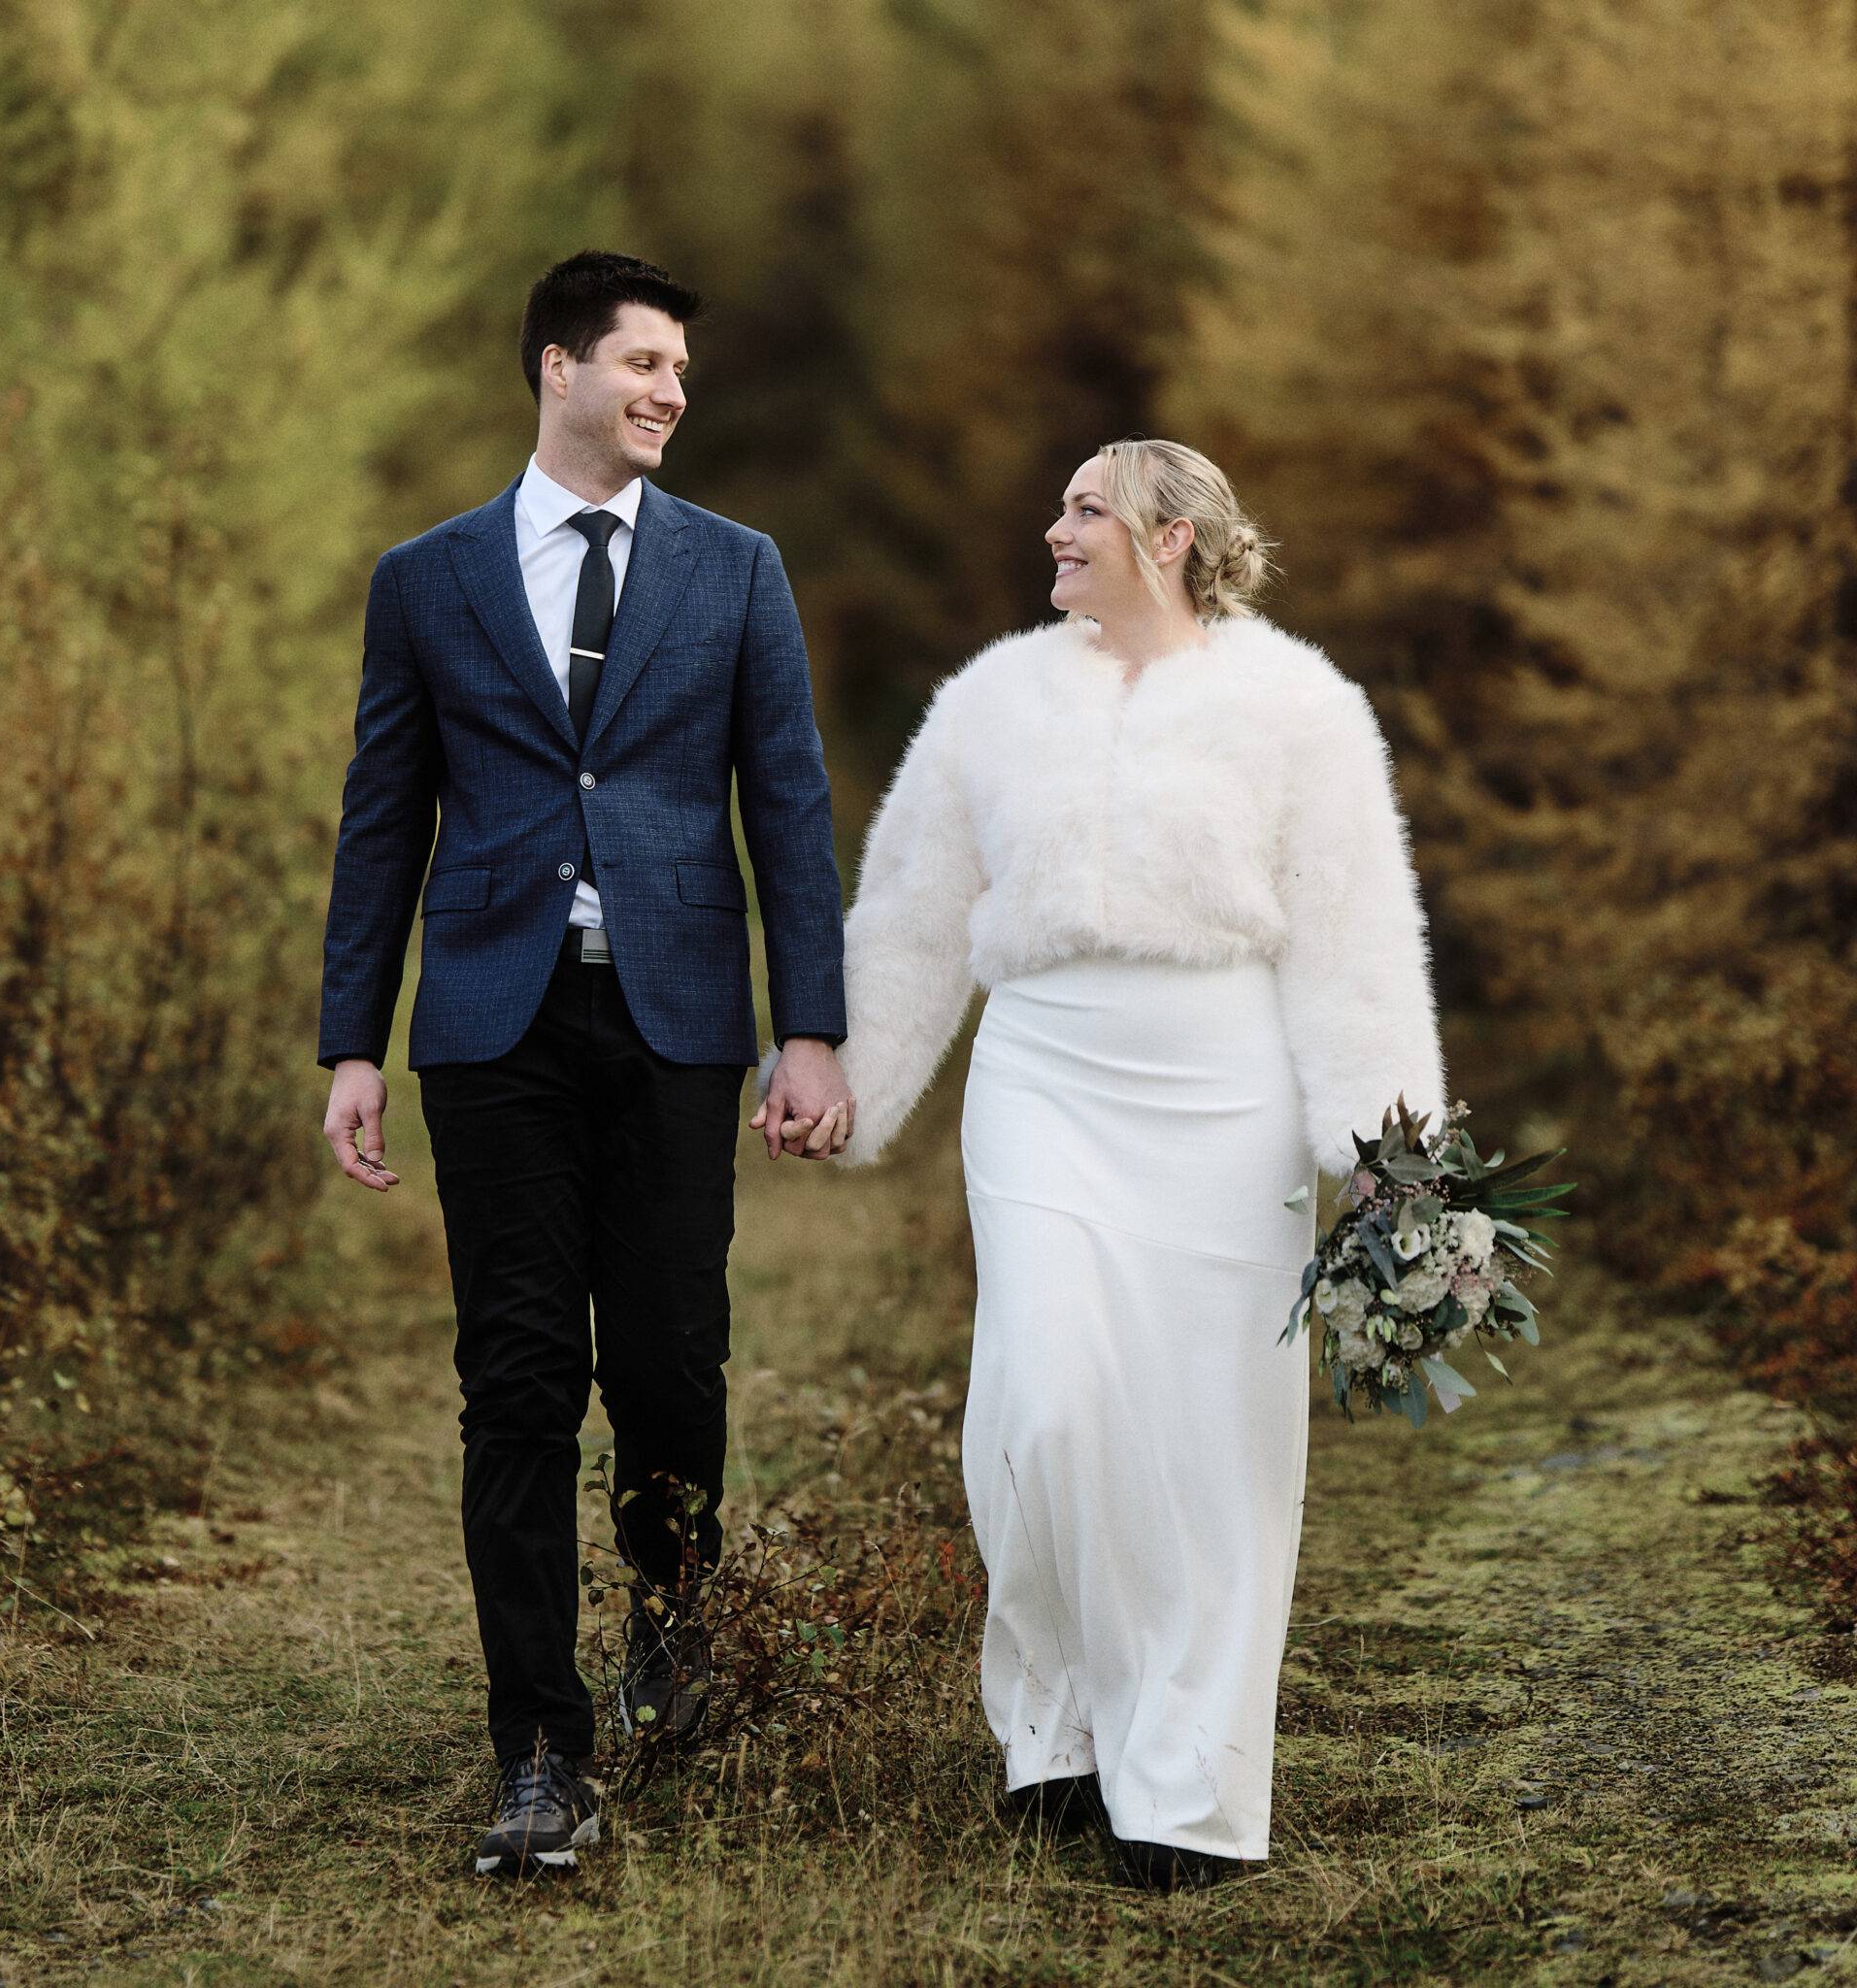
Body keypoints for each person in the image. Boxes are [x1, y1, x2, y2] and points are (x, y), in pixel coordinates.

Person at [778, 438, 1446, 1889]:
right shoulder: (993, 699)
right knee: (1046, 1405)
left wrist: (1394, 1156)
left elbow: (1355, 934)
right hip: (1043, 1078)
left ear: (1173, 536)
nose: (1055, 528)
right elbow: (913, 908)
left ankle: (1188, 1785)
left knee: (1215, 1442)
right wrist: (842, 1075)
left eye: (1086, 509)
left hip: (1226, 1094)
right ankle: (1060, 1719)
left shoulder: (1300, 707)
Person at [316, 250, 855, 1877]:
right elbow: (380, 820)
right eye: (642, 362)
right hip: (495, 1027)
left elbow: (789, 803)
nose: (670, 391)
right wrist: (353, 1043)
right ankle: (541, 1752)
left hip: (678, 1021)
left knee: (674, 1362)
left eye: (680, 369)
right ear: (558, 368)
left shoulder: (737, 569)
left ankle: (671, 1633)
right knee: (519, 1378)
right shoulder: (427, 579)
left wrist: (810, 1028)